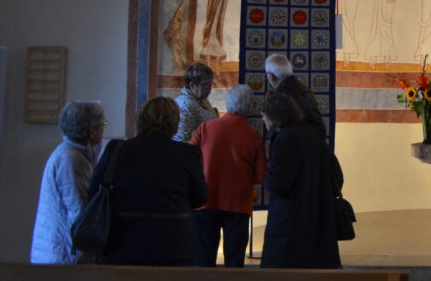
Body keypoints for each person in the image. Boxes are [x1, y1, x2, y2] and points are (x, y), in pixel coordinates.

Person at [89, 96, 207, 266]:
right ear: (174, 123)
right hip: (173, 246)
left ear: (140, 119)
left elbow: (94, 192)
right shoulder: (186, 153)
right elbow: (200, 197)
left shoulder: (117, 149)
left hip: (122, 244)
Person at [264, 53, 343, 267]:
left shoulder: (286, 128)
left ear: (271, 76)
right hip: (312, 167)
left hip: (294, 206)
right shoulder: (302, 90)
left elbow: (279, 183)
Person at [191, 84, 266, 267]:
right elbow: (260, 176)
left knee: (204, 258)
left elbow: (190, 160)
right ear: (250, 107)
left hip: (205, 200)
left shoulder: (205, 128)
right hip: (237, 203)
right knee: (234, 259)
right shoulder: (254, 137)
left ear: (227, 102)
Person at [30, 100, 106, 264]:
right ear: (92, 132)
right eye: (103, 124)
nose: (104, 129)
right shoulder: (71, 160)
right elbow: (79, 211)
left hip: (60, 250)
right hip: (62, 255)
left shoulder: (73, 153)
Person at [259, 94, 326, 268]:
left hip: (288, 219)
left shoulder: (285, 138)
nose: (263, 119)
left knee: (281, 272)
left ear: (275, 114)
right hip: (308, 213)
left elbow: (278, 184)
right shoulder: (309, 133)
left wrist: (269, 170)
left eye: (265, 114)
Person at [174, 62, 218, 143]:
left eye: (211, 84)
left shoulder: (200, 98)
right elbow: (181, 141)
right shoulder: (185, 106)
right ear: (192, 85)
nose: (209, 88)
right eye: (205, 84)